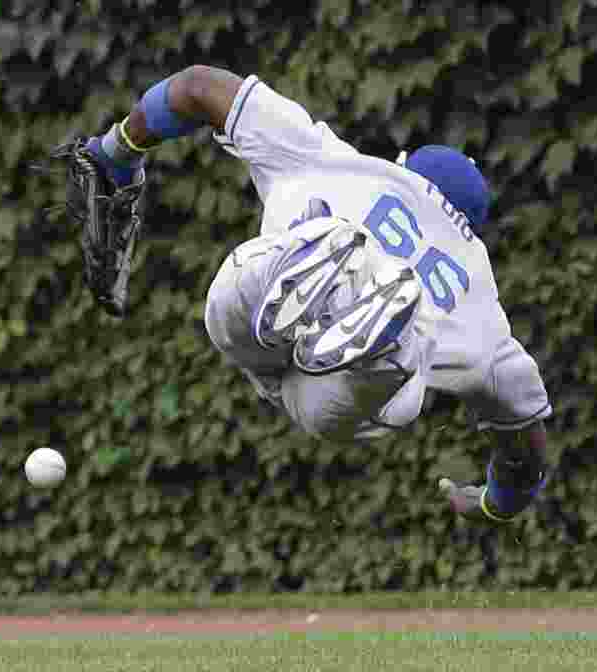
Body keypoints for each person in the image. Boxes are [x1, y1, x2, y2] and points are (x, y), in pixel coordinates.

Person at [77, 66, 552, 525]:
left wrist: (117, 150)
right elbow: (525, 447)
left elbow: (197, 86)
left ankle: (319, 253)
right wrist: (495, 504)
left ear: (402, 170)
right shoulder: (481, 306)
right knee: (399, 394)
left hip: (257, 313)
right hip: (331, 398)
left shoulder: (339, 162)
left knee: (233, 300)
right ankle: (385, 339)